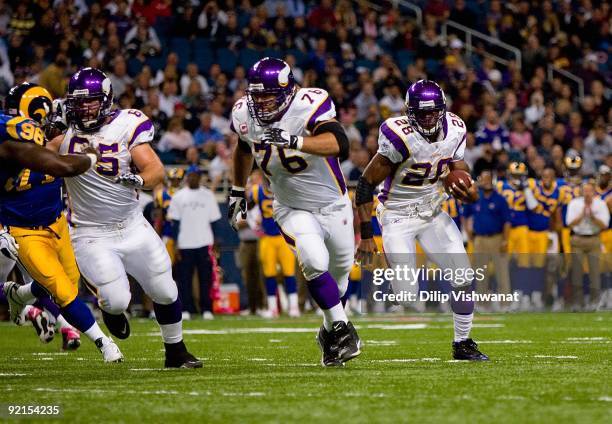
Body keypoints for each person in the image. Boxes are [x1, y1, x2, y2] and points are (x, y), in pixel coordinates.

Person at [49, 67, 201, 368]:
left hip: (132, 224)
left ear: (106, 100)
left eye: (91, 101)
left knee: (165, 290)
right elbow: (30, 158)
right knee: (118, 300)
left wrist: (139, 180)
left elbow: (156, 171)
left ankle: (176, 351)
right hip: (91, 233)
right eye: (78, 103)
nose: (84, 108)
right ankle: (110, 309)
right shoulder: (62, 135)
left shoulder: (126, 124)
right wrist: (47, 131)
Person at [228, 57, 360, 367]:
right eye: (256, 95)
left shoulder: (310, 103)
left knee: (338, 282)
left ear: (289, 91)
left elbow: (340, 144)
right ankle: (343, 331)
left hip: (334, 204)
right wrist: (237, 188)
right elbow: (244, 148)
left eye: (268, 96)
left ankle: (328, 334)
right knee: (313, 261)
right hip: (291, 206)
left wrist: (295, 140)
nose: (260, 103)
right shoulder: (243, 113)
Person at [355, 80, 488, 361]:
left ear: (442, 110)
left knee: (463, 277)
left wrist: (468, 190)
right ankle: (395, 282)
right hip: (397, 215)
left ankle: (462, 343)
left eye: (433, 112)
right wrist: (367, 235)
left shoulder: (455, 129)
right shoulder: (398, 135)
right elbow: (366, 184)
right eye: (421, 113)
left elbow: (461, 175)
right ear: (409, 112)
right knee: (407, 298)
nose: (428, 119)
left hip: (432, 211)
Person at [0, 82, 121, 361]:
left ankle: (20, 296)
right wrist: (90, 156)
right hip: (24, 231)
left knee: (68, 281)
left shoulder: (51, 135)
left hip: (57, 222)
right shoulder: (11, 148)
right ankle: (104, 343)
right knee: (62, 290)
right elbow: (63, 166)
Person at [168, 165, 221, 320]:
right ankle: (186, 309)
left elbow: (215, 221)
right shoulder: (178, 196)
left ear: (200, 177)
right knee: (184, 279)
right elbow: (175, 223)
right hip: (185, 243)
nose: (193, 178)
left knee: (206, 278)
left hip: (205, 242)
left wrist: (216, 241)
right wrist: (176, 244)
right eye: (190, 175)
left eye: (196, 175)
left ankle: (207, 308)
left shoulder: (208, 195)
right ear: (187, 177)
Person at [250, 179, 299, 318]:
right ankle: (273, 308)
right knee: (269, 273)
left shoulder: (285, 187)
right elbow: (246, 208)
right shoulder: (256, 191)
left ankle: (293, 307)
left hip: (284, 236)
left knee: (289, 272)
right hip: (267, 238)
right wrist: (253, 222)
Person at [464, 170, 511, 311]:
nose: (487, 182)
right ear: (480, 181)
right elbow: (465, 215)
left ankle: (505, 304)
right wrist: (468, 232)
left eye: (489, 179)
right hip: (480, 239)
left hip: (497, 238)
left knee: (502, 272)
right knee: (480, 274)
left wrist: (505, 241)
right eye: (484, 179)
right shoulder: (475, 197)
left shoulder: (500, 199)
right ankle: (482, 304)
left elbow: (507, 222)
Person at [566, 182, 610, 310]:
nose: (587, 193)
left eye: (589, 190)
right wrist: (582, 215)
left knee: (595, 273)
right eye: (585, 190)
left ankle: (594, 302)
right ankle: (577, 303)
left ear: (594, 191)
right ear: (581, 192)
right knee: (577, 272)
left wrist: (592, 216)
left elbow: (604, 225)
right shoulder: (574, 204)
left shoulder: (600, 204)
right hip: (578, 238)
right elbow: (569, 223)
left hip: (594, 238)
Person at [524, 167, 563, 309]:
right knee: (529, 266)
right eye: (544, 176)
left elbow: (557, 215)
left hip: (545, 233)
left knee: (546, 268)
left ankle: (544, 296)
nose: (546, 179)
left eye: (549, 176)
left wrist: (554, 235)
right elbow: (532, 206)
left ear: (553, 178)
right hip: (529, 232)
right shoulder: (533, 187)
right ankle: (528, 296)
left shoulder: (557, 193)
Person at [497, 162, 531, 311]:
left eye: (520, 176)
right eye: (515, 175)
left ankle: (522, 294)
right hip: (505, 230)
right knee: (503, 265)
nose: (517, 178)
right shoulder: (500, 186)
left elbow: (533, 206)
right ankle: (503, 296)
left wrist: (527, 189)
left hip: (522, 228)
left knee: (523, 264)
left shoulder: (528, 187)